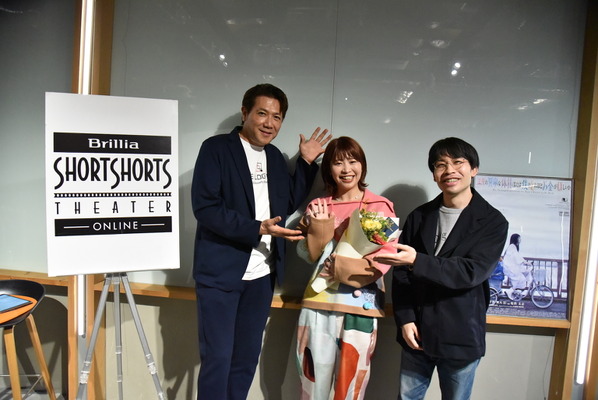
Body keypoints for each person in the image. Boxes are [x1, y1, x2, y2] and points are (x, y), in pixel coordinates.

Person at [191, 83, 331, 400]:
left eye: (277, 117)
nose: (269, 123)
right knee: (218, 359)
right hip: (221, 273)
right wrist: (257, 228)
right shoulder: (216, 149)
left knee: (245, 359)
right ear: (245, 113)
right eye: (262, 113)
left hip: (262, 275)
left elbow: (287, 202)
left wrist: (307, 162)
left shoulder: (274, 157)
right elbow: (206, 208)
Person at [374, 137, 508, 400]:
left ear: (474, 169)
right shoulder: (419, 216)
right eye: (440, 165)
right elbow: (400, 274)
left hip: (461, 334)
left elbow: (470, 272)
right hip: (417, 332)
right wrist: (406, 319)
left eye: (458, 162)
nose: (449, 171)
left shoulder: (493, 222)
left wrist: (417, 261)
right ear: (434, 174)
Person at [294, 136, 397, 400]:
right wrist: (318, 226)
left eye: (353, 161)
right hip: (317, 303)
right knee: (312, 384)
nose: (347, 169)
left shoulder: (379, 206)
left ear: (363, 165)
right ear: (328, 168)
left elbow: (385, 258)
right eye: (338, 163)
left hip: (360, 307)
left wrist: (340, 268)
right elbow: (306, 255)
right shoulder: (318, 205)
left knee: (350, 388)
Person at [502, 233, 532, 298]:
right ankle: (510, 291)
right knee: (520, 278)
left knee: (521, 278)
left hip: (510, 267)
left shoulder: (512, 246)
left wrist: (524, 262)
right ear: (516, 239)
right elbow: (517, 256)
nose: (520, 240)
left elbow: (516, 257)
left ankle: (515, 292)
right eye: (519, 238)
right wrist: (525, 262)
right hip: (510, 267)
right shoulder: (512, 246)